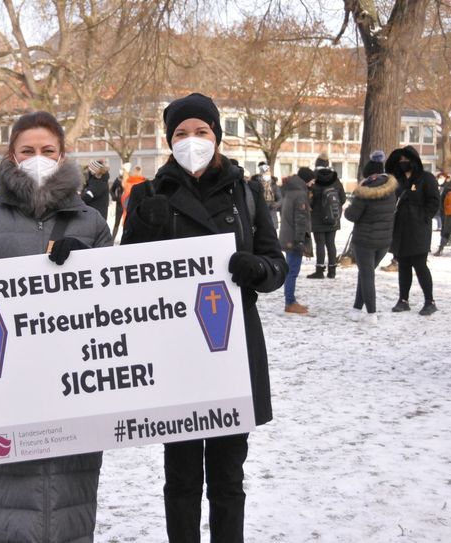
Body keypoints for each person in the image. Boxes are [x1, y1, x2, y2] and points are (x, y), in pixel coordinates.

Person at [121, 93, 287, 543]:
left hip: (231, 346)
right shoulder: (148, 193)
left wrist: (259, 270)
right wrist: (144, 228)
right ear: (168, 140)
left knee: (229, 478)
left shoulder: (245, 193)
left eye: (201, 131)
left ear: (217, 136)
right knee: (181, 478)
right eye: (180, 133)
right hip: (176, 354)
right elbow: (124, 277)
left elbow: (276, 263)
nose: (191, 140)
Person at [0, 111, 110, 542]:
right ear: (11, 156)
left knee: (69, 505)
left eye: (48, 150)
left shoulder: (89, 220)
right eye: (27, 150)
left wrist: (86, 262)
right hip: (3, 385)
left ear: (63, 156)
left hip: (75, 384)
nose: (38, 158)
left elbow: (113, 301)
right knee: (4, 508)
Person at [386, 145, 440, 316]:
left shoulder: (426, 178)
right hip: (400, 228)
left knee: (420, 265)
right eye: (400, 160)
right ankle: (403, 300)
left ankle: (429, 301)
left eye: (406, 160)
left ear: (414, 160)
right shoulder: (398, 180)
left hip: (419, 229)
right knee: (403, 265)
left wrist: (423, 217)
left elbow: (434, 201)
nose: (403, 163)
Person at [344, 151, 397, 323]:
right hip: (384, 241)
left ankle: (371, 314)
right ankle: (356, 309)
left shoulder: (364, 192)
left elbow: (351, 215)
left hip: (365, 241)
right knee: (365, 274)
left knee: (367, 276)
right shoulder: (391, 190)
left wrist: (349, 206)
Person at [280, 167, 314, 314]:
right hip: (294, 239)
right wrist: (300, 241)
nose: (312, 184)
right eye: (312, 181)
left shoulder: (291, 190)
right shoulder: (300, 194)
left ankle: (291, 300)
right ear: (306, 180)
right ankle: (290, 302)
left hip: (288, 236)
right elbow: (300, 220)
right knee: (292, 271)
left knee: (291, 270)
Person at [307, 153, 346, 279]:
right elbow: (343, 198)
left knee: (320, 244)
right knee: (331, 243)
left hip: (317, 217)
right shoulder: (335, 179)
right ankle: (332, 271)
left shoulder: (313, 179)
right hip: (333, 217)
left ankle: (319, 271)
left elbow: (309, 200)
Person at [109, 163, 128, 240]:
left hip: (128, 205)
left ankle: (126, 240)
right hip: (120, 204)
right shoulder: (118, 180)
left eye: (123, 169)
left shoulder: (129, 180)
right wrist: (115, 197)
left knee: (127, 223)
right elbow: (111, 190)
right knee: (117, 223)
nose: (122, 171)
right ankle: (112, 240)